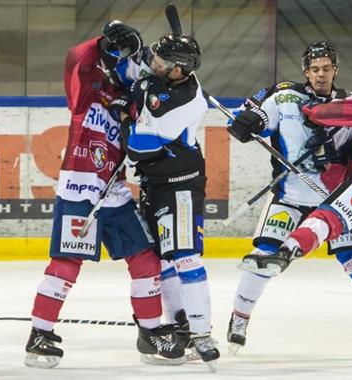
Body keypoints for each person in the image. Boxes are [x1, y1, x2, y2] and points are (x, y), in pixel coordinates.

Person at [225, 41, 352, 359]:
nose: (321, 74)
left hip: (336, 200)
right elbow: (248, 120)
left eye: (327, 68)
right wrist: (244, 125)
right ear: (305, 72)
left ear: (335, 70)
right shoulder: (284, 97)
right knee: (264, 255)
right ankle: (239, 319)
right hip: (290, 197)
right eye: (315, 69)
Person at [24, 25, 186, 369]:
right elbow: (75, 60)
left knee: (145, 260)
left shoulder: (132, 99)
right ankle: (40, 334)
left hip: (114, 194)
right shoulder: (87, 90)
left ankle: (151, 332)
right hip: (79, 191)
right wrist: (102, 42)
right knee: (67, 264)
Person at [107, 30, 220, 370]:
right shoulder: (163, 71)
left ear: (178, 70)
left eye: (160, 61)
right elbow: (124, 69)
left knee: (184, 257)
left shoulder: (186, 102)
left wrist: (126, 112)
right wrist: (127, 44)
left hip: (179, 186)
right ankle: (180, 323)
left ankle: (201, 332)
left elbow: (139, 148)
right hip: (154, 184)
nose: (151, 62)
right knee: (162, 259)